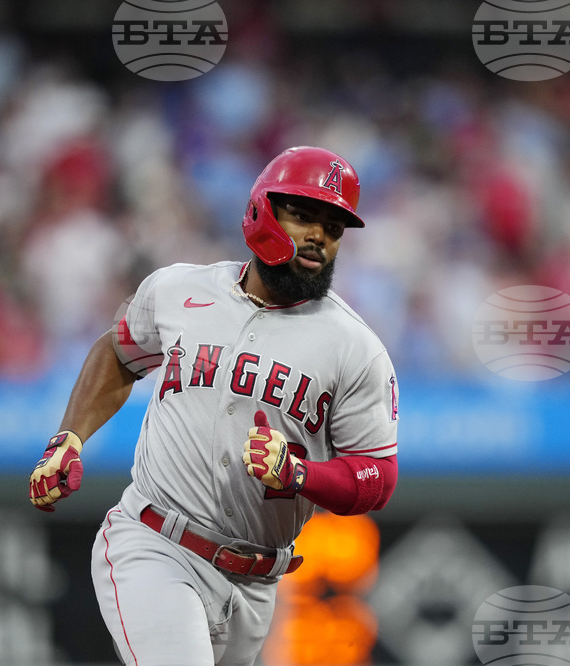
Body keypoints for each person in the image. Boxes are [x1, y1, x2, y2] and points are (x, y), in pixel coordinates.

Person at [29, 146, 400, 665]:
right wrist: (69, 438)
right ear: (261, 209)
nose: (319, 236)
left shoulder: (354, 347)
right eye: (304, 215)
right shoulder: (178, 289)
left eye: (334, 227)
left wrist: (299, 475)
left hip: (256, 584)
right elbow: (118, 351)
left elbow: (376, 479)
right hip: (156, 545)